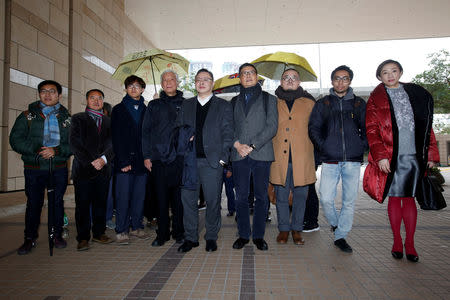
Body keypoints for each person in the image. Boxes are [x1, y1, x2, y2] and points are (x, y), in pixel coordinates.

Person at [363, 60, 440, 262]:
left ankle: (411, 244)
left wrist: (431, 154)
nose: (390, 75)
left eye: (393, 71)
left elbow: (427, 126)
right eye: (385, 72)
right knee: (395, 198)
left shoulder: (416, 94)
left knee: (410, 199)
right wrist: (380, 156)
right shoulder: (375, 99)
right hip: (391, 157)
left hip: (414, 156)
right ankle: (397, 241)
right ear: (379, 76)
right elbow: (371, 130)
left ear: (400, 72)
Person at [308, 65, 367, 253]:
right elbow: (314, 128)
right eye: (337, 78)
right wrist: (324, 146)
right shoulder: (323, 103)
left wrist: (361, 145)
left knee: (349, 201)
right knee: (326, 198)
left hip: (352, 160)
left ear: (350, 81)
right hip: (330, 159)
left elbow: (368, 129)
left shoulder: (358, 104)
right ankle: (335, 225)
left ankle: (341, 236)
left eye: (345, 78)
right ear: (332, 81)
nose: (341, 82)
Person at [10, 80, 72, 255]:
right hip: (34, 168)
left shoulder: (66, 118)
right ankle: (29, 238)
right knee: (33, 204)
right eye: (43, 91)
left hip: (57, 167)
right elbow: (15, 140)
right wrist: (37, 149)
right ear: (39, 94)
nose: (47, 95)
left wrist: (57, 150)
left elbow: (74, 144)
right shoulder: (27, 116)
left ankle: (57, 235)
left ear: (59, 95)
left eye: (52, 91)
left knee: (56, 203)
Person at [177, 69, 233, 253]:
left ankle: (211, 236)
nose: (201, 82)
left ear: (212, 83)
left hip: (212, 162)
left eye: (205, 79)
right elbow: (177, 130)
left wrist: (222, 159)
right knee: (188, 201)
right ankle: (191, 237)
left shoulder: (223, 106)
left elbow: (228, 134)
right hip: (189, 162)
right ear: (195, 83)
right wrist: (184, 138)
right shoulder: (186, 105)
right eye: (198, 80)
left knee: (213, 200)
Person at [231, 63, 278, 251]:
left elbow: (272, 126)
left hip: (262, 153)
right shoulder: (233, 101)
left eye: (251, 73)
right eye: (244, 74)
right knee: (240, 197)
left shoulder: (269, 99)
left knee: (261, 196)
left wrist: (252, 145)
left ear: (257, 77)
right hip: (239, 155)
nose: (248, 76)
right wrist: (238, 145)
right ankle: (243, 234)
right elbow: (229, 128)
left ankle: (258, 235)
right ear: (240, 78)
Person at [270, 68, 316, 245]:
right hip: (279, 159)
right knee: (281, 197)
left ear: (299, 82)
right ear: (280, 81)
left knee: (300, 197)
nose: (290, 80)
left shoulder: (309, 103)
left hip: (303, 159)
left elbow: (316, 129)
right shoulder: (273, 102)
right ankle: (283, 230)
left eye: (294, 78)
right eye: (286, 77)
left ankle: (297, 229)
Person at [142, 70, 185, 246]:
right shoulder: (153, 105)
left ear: (177, 82)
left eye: (171, 79)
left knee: (178, 199)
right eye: (165, 80)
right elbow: (145, 133)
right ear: (161, 84)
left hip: (180, 158)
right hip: (159, 158)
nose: (168, 82)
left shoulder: (186, 103)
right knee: (161, 198)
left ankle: (179, 232)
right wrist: (146, 156)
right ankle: (162, 234)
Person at [70, 89, 114, 251]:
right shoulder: (78, 118)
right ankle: (82, 237)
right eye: (92, 98)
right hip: (83, 170)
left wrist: (103, 160)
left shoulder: (109, 121)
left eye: (99, 98)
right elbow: (75, 144)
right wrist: (91, 161)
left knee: (100, 203)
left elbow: (113, 144)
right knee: (82, 205)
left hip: (103, 169)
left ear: (103, 101)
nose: (96, 101)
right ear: (87, 100)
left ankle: (99, 233)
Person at [111, 75, 149, 245]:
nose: (134, 88)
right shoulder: (118, 109)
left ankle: (136, 226)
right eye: (130, 86)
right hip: (124, 162)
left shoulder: (147, 109)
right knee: (123, 197)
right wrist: (123, 161)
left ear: (142, 89)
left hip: (142, 162)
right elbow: (116, 138)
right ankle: (121, 229)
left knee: (139, 197)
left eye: (137, 86)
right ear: (126, 88)